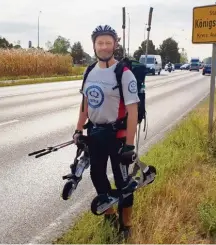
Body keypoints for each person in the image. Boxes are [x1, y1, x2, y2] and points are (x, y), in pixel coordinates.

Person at [73, 25, 139, 238]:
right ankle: (109, 215)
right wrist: (77, 129)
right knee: (97, 175)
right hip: (95, 135)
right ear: (94, 45)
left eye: (108, 43)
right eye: (100, 43)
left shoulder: (124, 73)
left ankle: (126, 225)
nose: (103, 47)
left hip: (117, 137)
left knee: (123, 183)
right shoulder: (89, 71)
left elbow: (133, 111)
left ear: (115, 45)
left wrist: (130, 145)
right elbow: (85, 104)